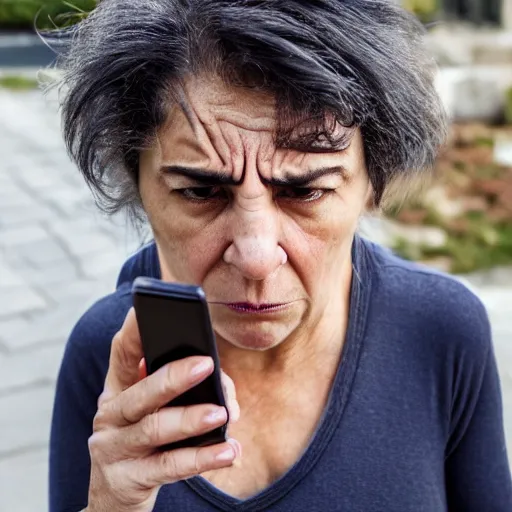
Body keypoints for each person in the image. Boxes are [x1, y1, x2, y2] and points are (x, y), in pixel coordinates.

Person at [47, 1, 512, 511]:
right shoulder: (104, 352)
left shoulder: (441, 332)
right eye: (201, 193)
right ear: (139, 185)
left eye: (305, 192)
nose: (256, 257)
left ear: (372, 185)